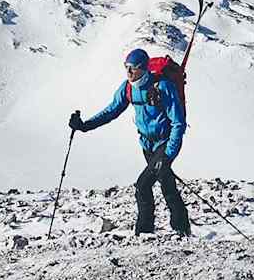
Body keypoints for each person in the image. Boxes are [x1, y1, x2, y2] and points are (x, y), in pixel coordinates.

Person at [69, 48, 191, 235]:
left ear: (143, 68)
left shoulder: (163, 86)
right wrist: (85, 126)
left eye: (132, 68)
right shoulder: (128, 88)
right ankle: (182, 229)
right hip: (147, 145)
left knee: (142, 186)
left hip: (164, 144)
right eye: (126, 67)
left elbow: (178, 122)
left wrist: (168, 154)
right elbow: (111, 111)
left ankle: (143, 232)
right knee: (166, 184)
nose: (128, 72)